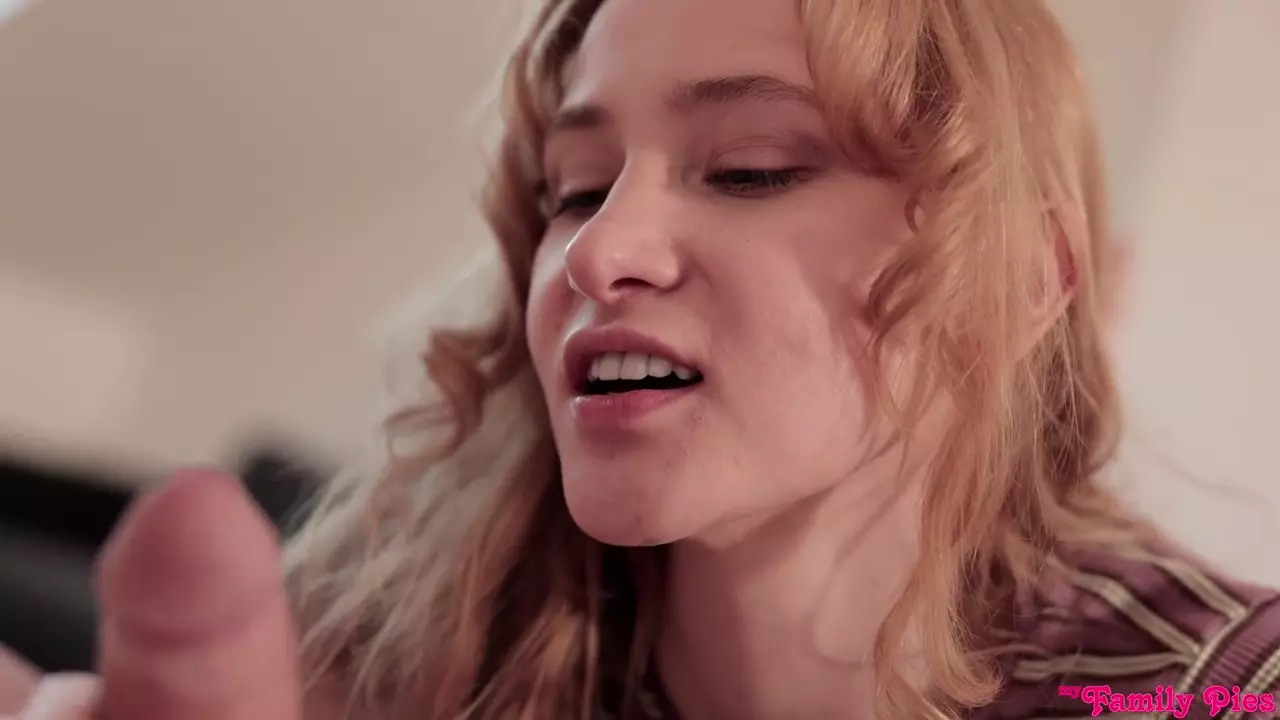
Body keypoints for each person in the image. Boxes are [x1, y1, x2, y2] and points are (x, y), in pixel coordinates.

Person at [4, 0, 1279, 718]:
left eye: (750, 169)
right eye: (574, 189)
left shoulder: (1220, 686)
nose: (599, 252)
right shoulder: (403, 654)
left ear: (1025, 281)